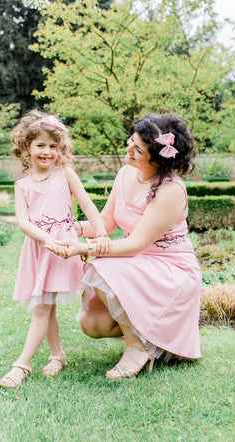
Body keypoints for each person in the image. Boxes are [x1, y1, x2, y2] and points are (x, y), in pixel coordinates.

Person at [46, 112, 202, 381]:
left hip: (170, 270)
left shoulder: (171, 191)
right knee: (92, 324)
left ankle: (137, 347)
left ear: (158, 159)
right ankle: (149, 333)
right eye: (131, 141)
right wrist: (68, 228)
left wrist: (84, 249)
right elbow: (104, 222)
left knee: (99, 264)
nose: (128, 149)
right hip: (139, 262)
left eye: (138, 149)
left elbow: (134, 244)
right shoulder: (126, 173)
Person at [0, 110, 109, 388]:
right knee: (45, 307)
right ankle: (57, 355)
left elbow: (88, 206)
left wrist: (102, 232)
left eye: (53, 146)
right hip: (40, 250)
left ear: (60, 150)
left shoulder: (65, 175)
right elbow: (23, 222)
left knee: (42, 307)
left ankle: (21, 365)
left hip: (64, 249)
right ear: (26, 148)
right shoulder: (22, 185)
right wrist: (46, 240)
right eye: (40, 145)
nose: (47, 152)